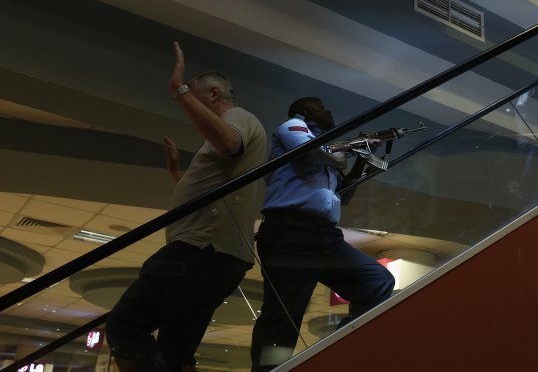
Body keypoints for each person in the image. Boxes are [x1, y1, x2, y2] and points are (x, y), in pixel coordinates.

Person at [105, 42, 267, 372]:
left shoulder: (240, 118)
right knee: (176, 350)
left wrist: (178, 89)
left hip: (201, 251)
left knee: (125, 326)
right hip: (215, 255)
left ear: (213, 94)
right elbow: (219, 179)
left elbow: (229, 144)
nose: (189, 102)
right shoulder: (233, 126)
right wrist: (178, 173)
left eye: (194, 95)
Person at [250, 97, 395, 371]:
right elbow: (311, 154)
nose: (329, 111)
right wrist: (352, 148)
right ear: (306, 111)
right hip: (290, 232)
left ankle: (335, 349)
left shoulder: (327, 150)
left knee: (377, 282)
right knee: (283, 317)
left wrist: (363, 159)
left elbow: (345, 195)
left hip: (325, 236)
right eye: (321, 106)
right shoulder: (294, 126)